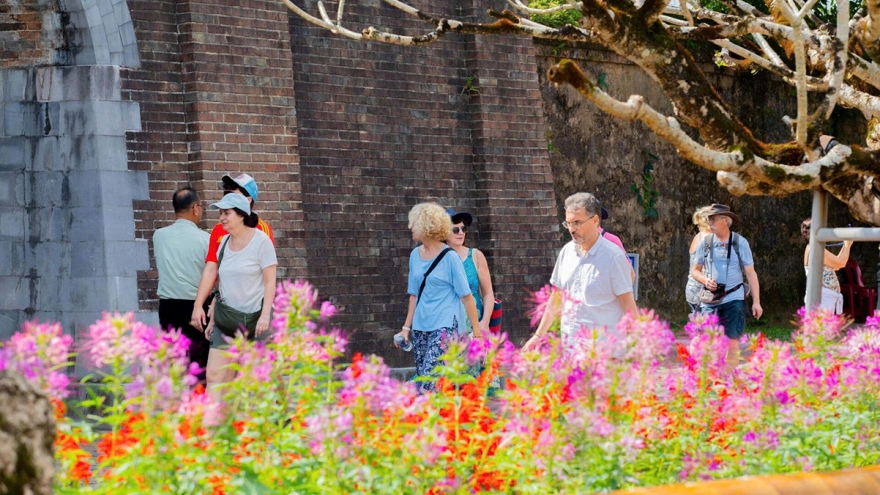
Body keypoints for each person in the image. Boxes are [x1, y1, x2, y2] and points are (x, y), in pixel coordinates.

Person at [523, 193, 637, 352]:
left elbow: (629, 306)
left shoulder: (613, 256)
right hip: (571, 349)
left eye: (577, 222)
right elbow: (556, 298)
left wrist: (639, 347)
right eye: (568, 223)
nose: (571, 229)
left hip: (605, 352)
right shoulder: (566, 252)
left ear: (595, 220)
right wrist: (538, 336)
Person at [190, 193, 277, 400]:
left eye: (226, 213)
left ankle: (276, 421)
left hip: (256, 321)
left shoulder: (261, 242)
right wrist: (212, 317)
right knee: (214, 375)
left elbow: (270, 281)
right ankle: (216, 427)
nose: (221, 218)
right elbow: (222, 283)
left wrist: (266, 315)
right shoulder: (223, 243)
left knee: (263, 377)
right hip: (226, 320)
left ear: (241, 215)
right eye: (220, 213)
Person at [394, 202, 482, 394]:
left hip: (445, 328)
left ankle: (421, 419)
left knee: (427, 385)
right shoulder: (414, 256)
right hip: (420, 328)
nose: (410, 228)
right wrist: (405, 329)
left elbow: (467, 297)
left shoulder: (450, 257)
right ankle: (439, 420)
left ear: (426, 226)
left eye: (414, 223)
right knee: (428, 380)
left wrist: (477, 333)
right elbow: (414, 294)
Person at [195, 173, 275, 335]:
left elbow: (266, 278)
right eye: (226, 193)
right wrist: (207, 303)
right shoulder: (219, 231)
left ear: (247, 200)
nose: (228, 197)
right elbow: (212, 270)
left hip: (252, 314)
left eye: (233, 193)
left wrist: (265, 314)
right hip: (226, 312)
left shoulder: (262, 231)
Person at [690, 204, 762, 370]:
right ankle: (708, 377)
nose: (709, 222)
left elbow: (751, 273)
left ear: (725, 221)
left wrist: (756, 302)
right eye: (708, 218)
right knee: (707, 341)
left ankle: (728, 380)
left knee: (732, 342)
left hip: (734, 298)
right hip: (711, 299)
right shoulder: (705, 242)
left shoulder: (739, 242)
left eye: (713, 218)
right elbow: (695, 271)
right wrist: (705, 280)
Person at [153, 187, 211, 383]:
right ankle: (198, 407)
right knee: (199, 364)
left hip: (168, 307)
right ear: (195, 208)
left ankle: (175, 407)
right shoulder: (206, 239)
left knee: (174, 363)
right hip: (197, 307)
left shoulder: (159, 236)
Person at [445, 208, 493, 337]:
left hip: (475, 328)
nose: (461, 233)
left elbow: (488, 292)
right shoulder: (438, 259)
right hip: (447, 329)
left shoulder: (475, 256)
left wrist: (485, 321)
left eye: (463, 229)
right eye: (455, 230)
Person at [801, 218, 853, 314]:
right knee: (821, 328)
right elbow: (841, 262)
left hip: (824, 297)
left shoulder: (812, 247)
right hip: (822, 298)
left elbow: (837, 265)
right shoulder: (815, 248)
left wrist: (846, 245)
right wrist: (847, 245)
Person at [685, 205, 713, 315]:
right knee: (708, 326)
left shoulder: (698, 236)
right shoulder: (707, 238)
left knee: (699, 324)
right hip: (703, 292)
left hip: (692, 289)